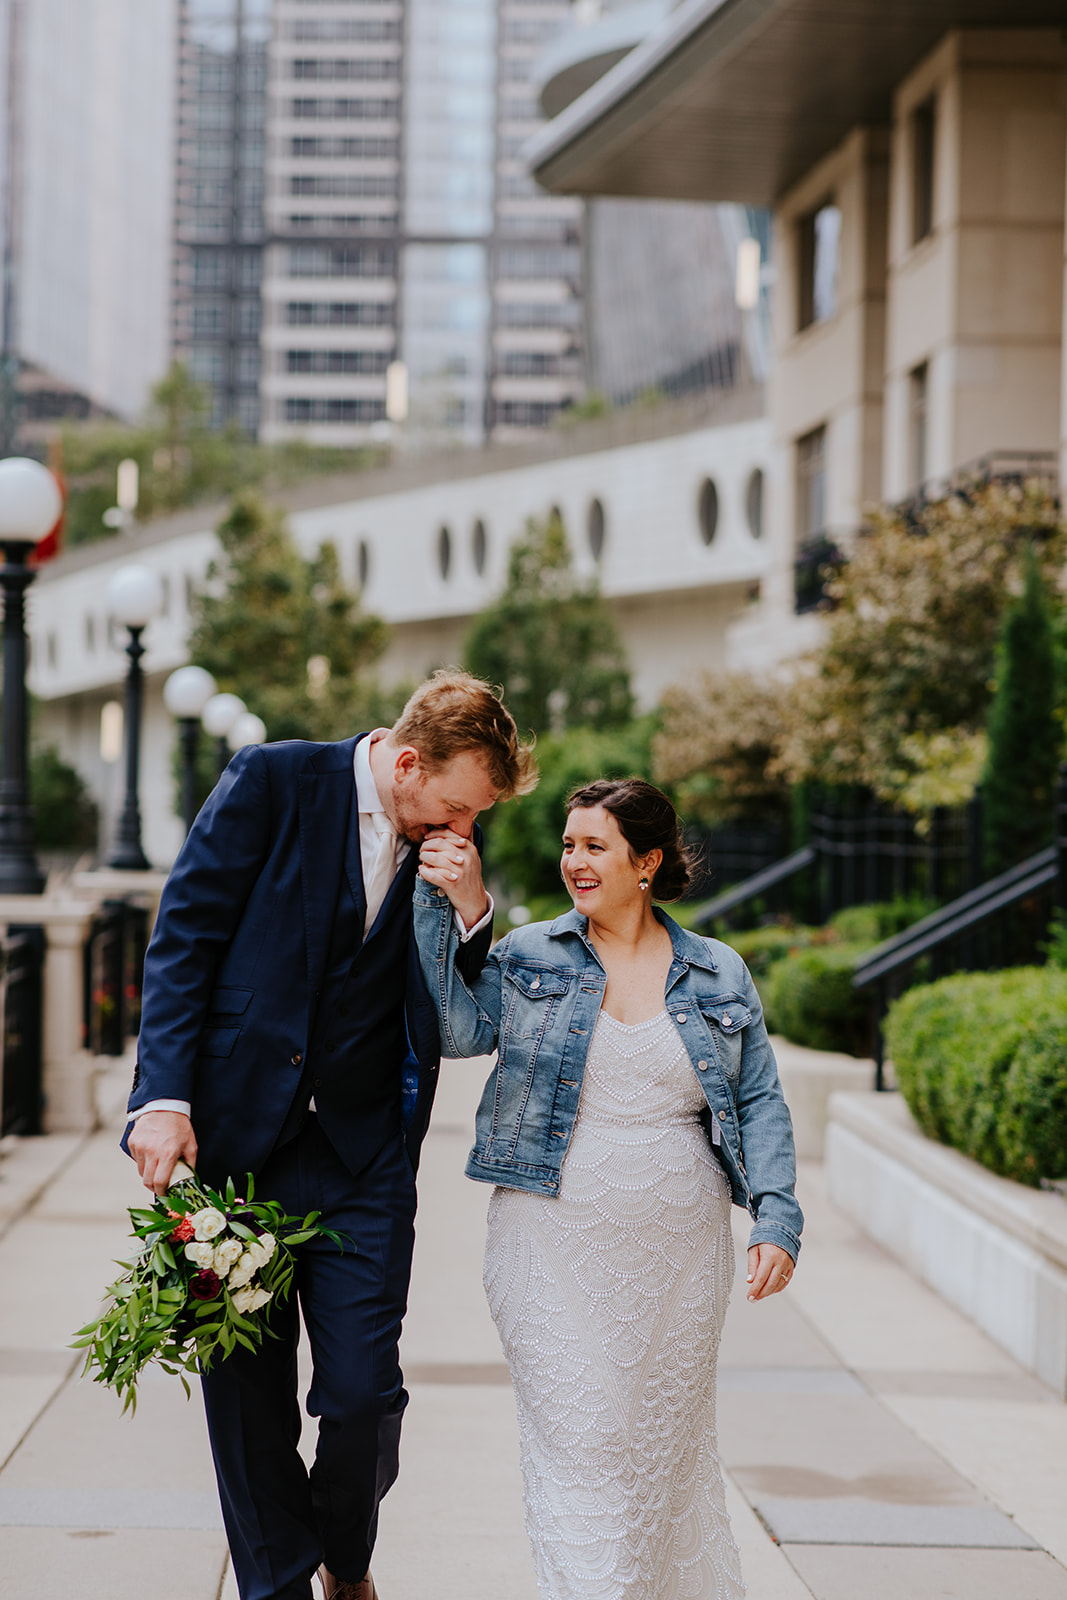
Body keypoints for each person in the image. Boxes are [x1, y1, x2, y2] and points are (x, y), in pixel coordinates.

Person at [125, 669, 536, 1600]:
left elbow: (456, 1004)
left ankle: (345, 1561)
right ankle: (276, 1583)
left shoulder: (447, 845)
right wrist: (163, 1099)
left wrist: (473, 912)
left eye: (474, 816)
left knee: (360, 1396)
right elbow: (184, 938)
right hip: (236, 1146)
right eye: (456, 806)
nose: (461, 829)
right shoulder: (271, 780)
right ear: (403, 761)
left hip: (364, 1155)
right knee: (246, 1395)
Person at [415, 777, 802, 1600]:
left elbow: (760, 1096)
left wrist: (775, 1213)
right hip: (546, 1235)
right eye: (567, 845)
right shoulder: (528, 954)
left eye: (594, 846)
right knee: (582, 1438)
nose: (574, 863)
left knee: (657, 1451)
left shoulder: (716, 971)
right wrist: (451, 905)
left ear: (647, 861)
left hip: (680, 1253)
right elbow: (455, 1030)